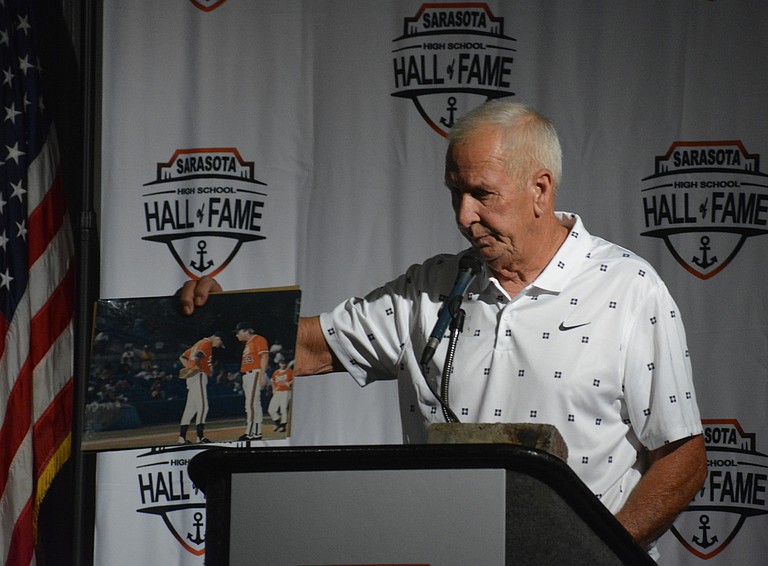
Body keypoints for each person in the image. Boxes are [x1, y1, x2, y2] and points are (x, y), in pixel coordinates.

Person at [181, 101, 706, 555]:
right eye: (455, 192)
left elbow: (681, 460)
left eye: (482, 193)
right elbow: (312, 348)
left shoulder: (629, 289)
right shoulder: (429, 288)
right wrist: (228, 324)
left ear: (540, 189)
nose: (463, 214)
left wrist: (595, 553)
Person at [177, 331, 225, 444]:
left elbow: (183, 357)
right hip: (198, 375)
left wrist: (189, 368)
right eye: (220, 342)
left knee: (190, 408)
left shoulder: (197, 343)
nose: (218, 345)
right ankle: (200, 437)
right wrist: (195, 368)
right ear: (216, 338)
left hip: (193, 377)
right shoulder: (206, 343)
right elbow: (198, 355)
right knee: (203, 406)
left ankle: (181, 438)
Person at [234, 322, 269, 440]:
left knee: (252, 404)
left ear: (245, 331)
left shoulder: (258, 339)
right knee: (253, 404)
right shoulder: (248, 343)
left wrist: (262, 375)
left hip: (255, 373)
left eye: (238, 332)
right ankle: (256, 432)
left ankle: (250, 432)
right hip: (248, 374)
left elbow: (264, 356)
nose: (236, 335)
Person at [268, 359, 294, 432]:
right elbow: (272, 381)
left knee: (283, 409)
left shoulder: (289, 371)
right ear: (279, 364)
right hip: (277, 392)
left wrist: (289, 383)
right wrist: (273, 389)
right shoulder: (276, 372)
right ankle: (277, 423)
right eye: (281, 363)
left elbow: (294, 378)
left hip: (286, 391)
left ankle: (283, 425)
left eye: (284, 363)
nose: (283, 365)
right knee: (271, 409)